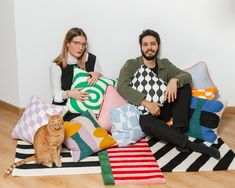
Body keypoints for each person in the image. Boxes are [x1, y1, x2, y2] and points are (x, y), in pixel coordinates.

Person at [117, 29, 220, 159]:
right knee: (145, 123)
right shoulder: (131, 64)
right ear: (141, 47)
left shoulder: (164, 64)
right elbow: (121, 87)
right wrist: (146, 103)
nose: (149, 48)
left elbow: (186, 76)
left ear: (158, 46)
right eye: (145, 44)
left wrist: (174, 80)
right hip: (146, 113)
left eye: (153, 44)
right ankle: (187, 143)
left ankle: (178, 131)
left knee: (184, 86)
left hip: (164, 108)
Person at [49, 27, 102, 120]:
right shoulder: (56, 65)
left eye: (83, 44)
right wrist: (69, 94)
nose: (80, 48)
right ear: (67, 43)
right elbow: (56, 95)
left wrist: (98, 74)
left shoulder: (92, 59)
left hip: (88, 107)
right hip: (66, 109)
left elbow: (102, 85)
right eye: (76, 43)